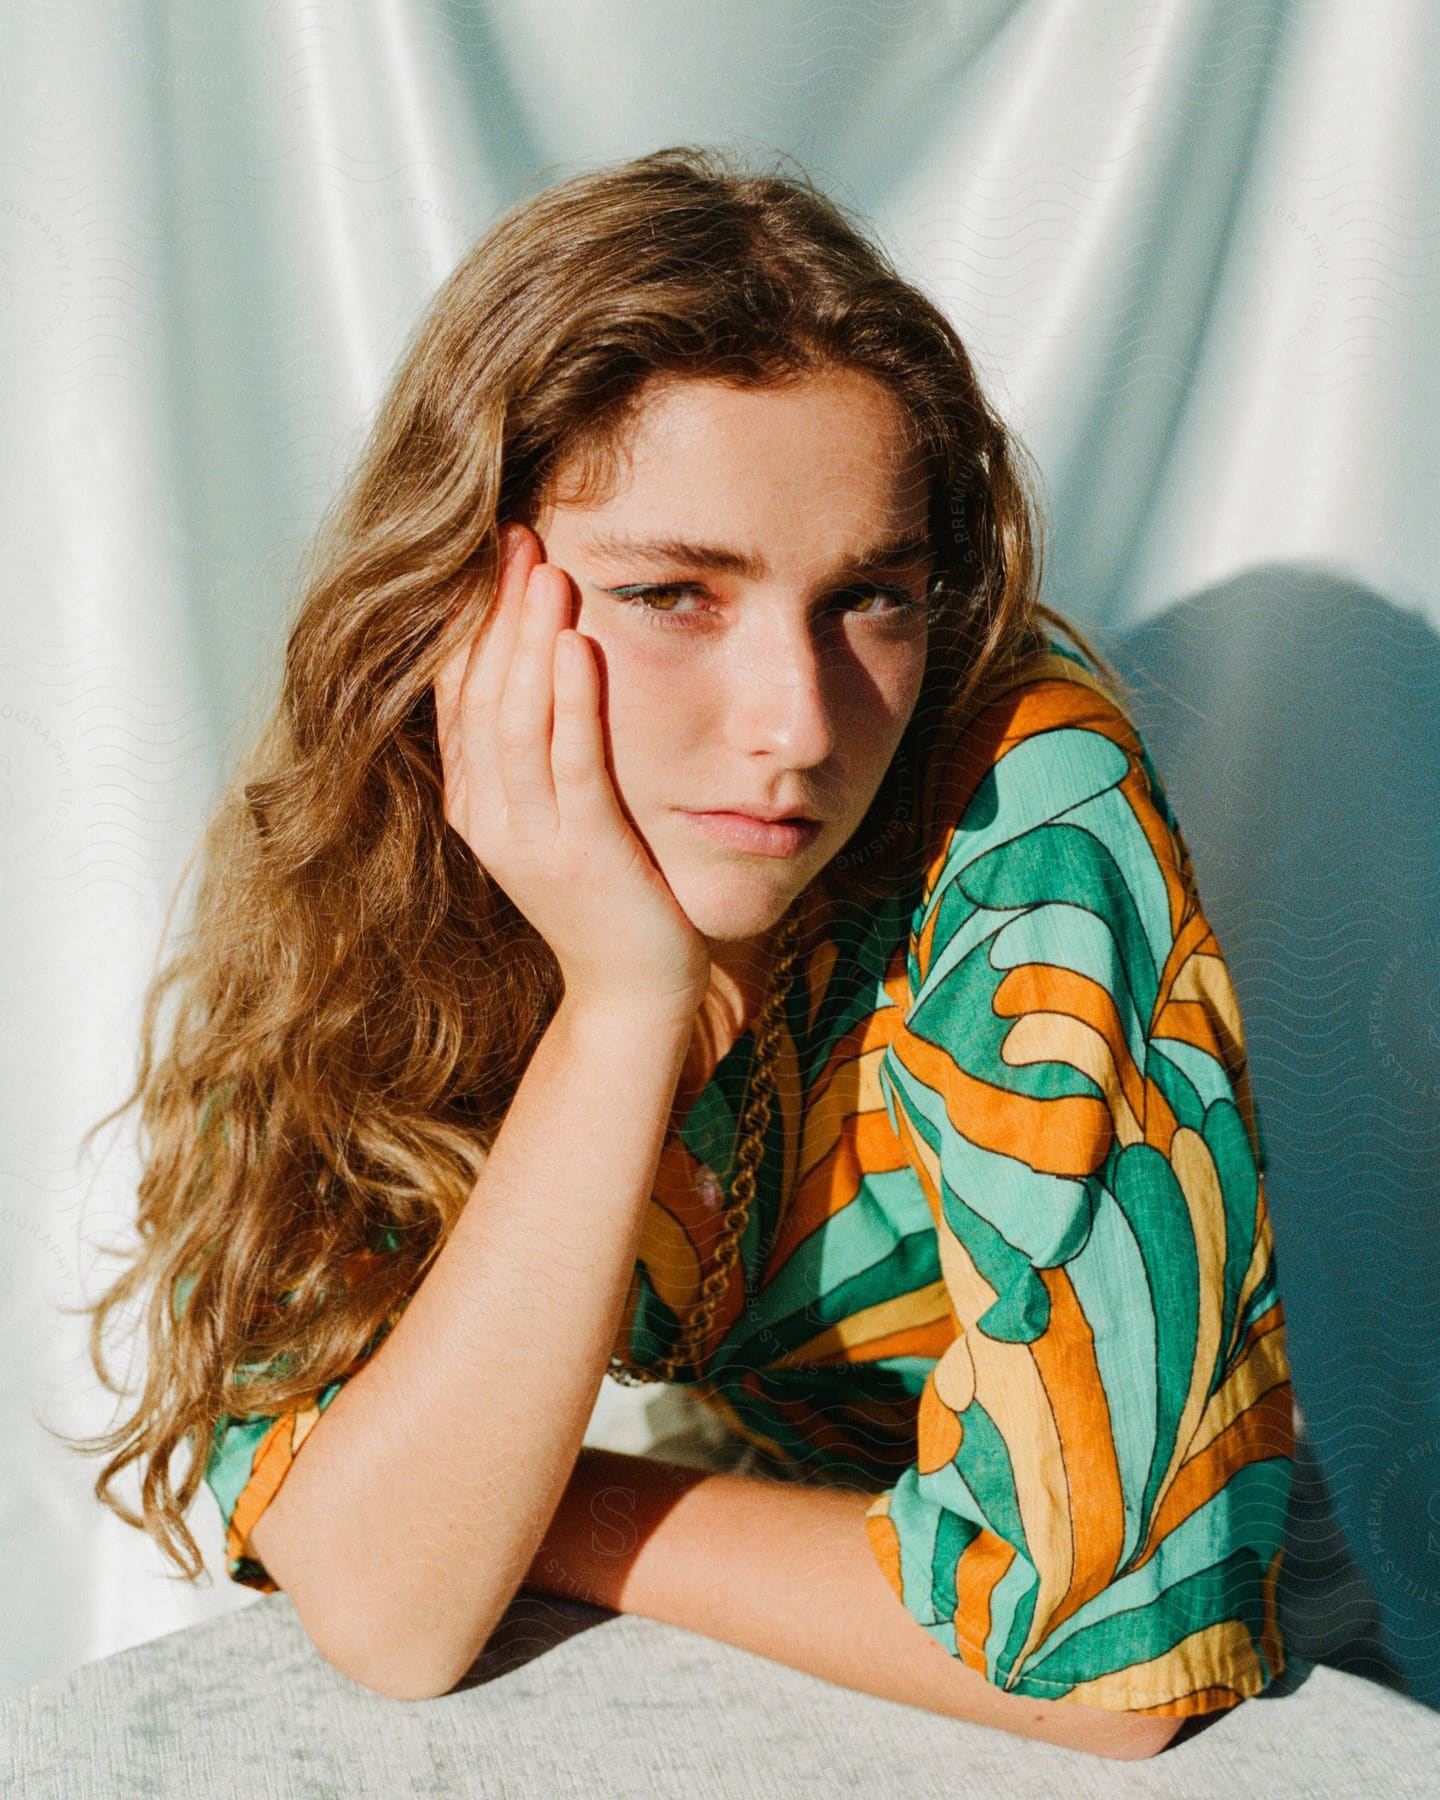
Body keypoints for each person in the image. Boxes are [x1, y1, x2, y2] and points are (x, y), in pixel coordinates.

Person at [64, 146, 1293, 1758]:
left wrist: (536, 1502)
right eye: (670, 594)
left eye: (871, 599)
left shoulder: (1023, 791)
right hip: (793, 1635)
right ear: (461, 601)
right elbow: (387, 1610)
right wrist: (627, 1000)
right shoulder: (375, 855)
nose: (795, 725)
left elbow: (1113, 1658)